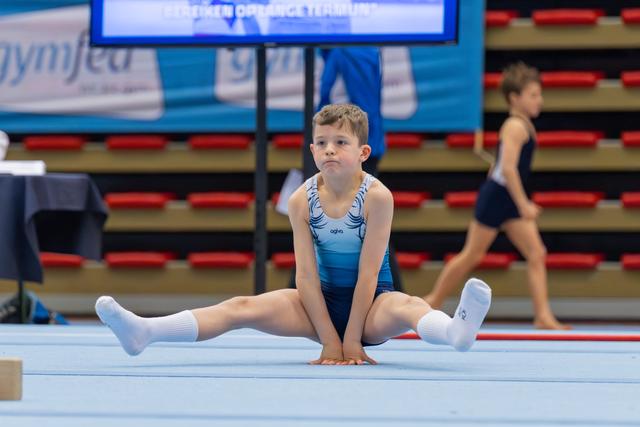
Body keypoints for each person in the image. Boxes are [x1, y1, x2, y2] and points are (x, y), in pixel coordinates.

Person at [96, 104, 492, 364]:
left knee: (409, 304)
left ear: (363, 153)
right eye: (321, 143)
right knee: (241, 306)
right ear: (311, 149)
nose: (330, 151)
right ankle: (145, 331)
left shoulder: (378, 197)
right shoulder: (302, 199)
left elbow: (370, 276)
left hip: (371, 307)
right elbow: (304, 277)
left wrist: (351, 340)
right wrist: (328, 340)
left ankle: (455, 332)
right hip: (315, 303)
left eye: (341, 142)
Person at [424, 63, 569, 330]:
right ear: (515, 98)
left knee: (537, 253)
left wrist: (518, 201)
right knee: (472, 255)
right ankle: (432, 300)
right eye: (534, 95)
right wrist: (523, 203)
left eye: (539, 94)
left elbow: (499, 165)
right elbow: (509, 169)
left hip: (505, 197)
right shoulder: (515, 126)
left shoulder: (520, 125)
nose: (540, 100)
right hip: (500, 197)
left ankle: (542, 316)